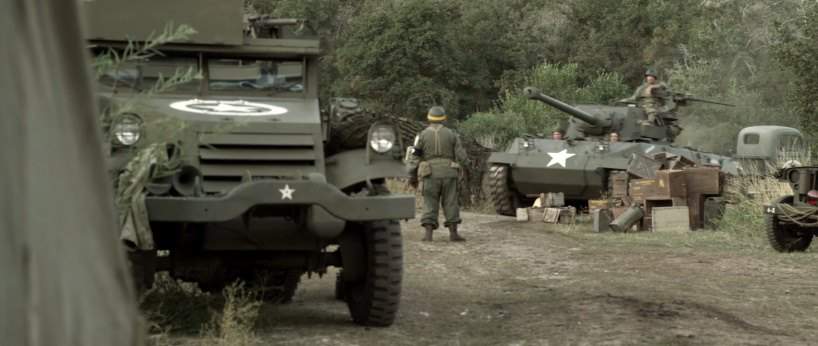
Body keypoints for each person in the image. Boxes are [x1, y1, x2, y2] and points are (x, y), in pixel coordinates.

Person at [408, 106, 469, 242]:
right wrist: (465, 165)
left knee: (430, 202)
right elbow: (461, 155)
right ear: (444, 119)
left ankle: (428, 235)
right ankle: (453, 234)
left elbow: (415, 157)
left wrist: (411, 175)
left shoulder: (421, 135)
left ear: (429, 118)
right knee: (451, 202)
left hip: (430, 173)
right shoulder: (452, 134)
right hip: (449, 172)